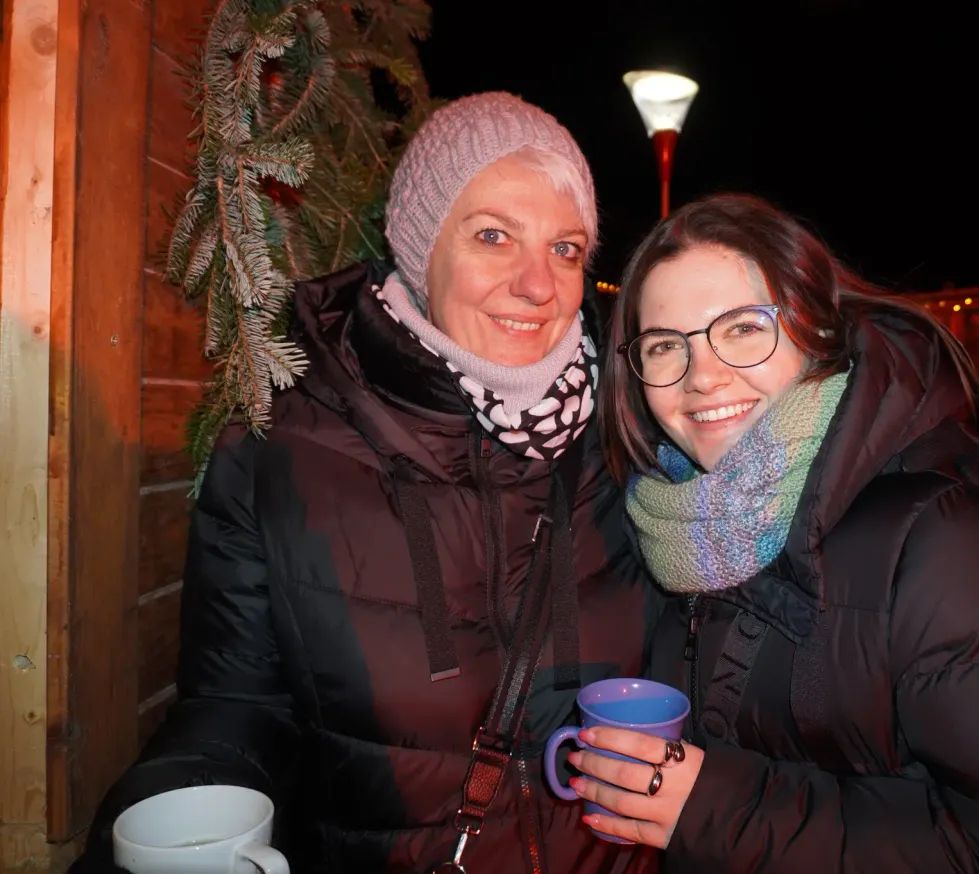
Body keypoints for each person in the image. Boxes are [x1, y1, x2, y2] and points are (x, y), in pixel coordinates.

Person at [69, 93, 657, 874]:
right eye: (492, 236)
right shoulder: (282, 449)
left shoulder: (630, 437)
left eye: (566, 249)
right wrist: (174, 827)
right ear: (420, 247)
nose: (537, 285)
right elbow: (234, 711)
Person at [570, 193, 979, 872]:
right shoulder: (678, 529)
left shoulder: (955, 548)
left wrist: (716, 809)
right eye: (666, 345)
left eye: (743, 329)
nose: (702, 376)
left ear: (819, 331)